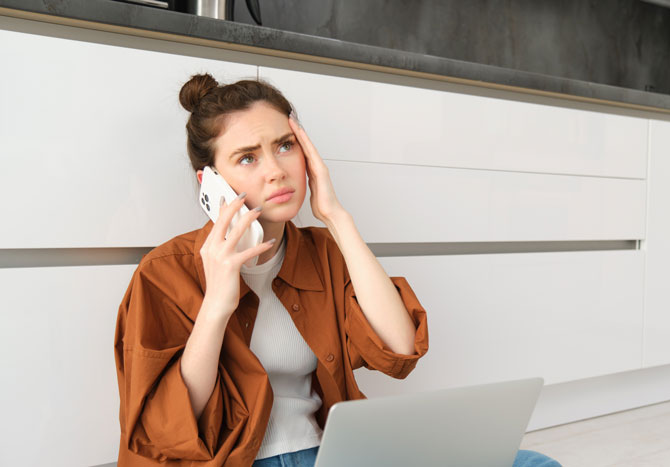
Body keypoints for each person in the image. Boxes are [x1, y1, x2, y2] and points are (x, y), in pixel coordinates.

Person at [114, 73, 560, 467]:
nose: (276, 171)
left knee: (533, 464)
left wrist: (336, 217)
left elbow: (400, 346)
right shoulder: (165, 272)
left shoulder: (324, 252)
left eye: (285, 146)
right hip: (231, 461)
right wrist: (216, 305)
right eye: (247, 158)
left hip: (329, 455)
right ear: (209, 180)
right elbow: (164, 428)